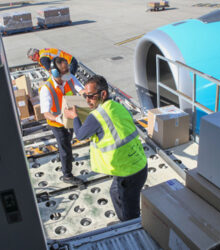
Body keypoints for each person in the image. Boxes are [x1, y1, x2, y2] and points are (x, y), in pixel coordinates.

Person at [64, 75, 148, 221]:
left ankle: (129, 226)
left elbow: (81, 135)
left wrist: (75, 116)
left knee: (131, 215)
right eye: (85, 96)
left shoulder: (98, 115)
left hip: (129, 173)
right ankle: (123, 220)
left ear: (103, 94)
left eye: (90, 96)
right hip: (136, 164)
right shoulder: (117, 106)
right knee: (115, 192)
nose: (87, 100)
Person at [39, 57, 84, 185]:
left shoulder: (69, 78)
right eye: (65, 72)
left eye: (68, 70)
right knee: (65, 148)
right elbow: (46, 114)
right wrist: (58, 118)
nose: (68, 74)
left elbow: (81, 91)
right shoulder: (46, 89)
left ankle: (65, 158)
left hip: (69, 117)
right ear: (55, 73)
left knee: (67, 142)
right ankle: (67, 175)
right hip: (57, 123)